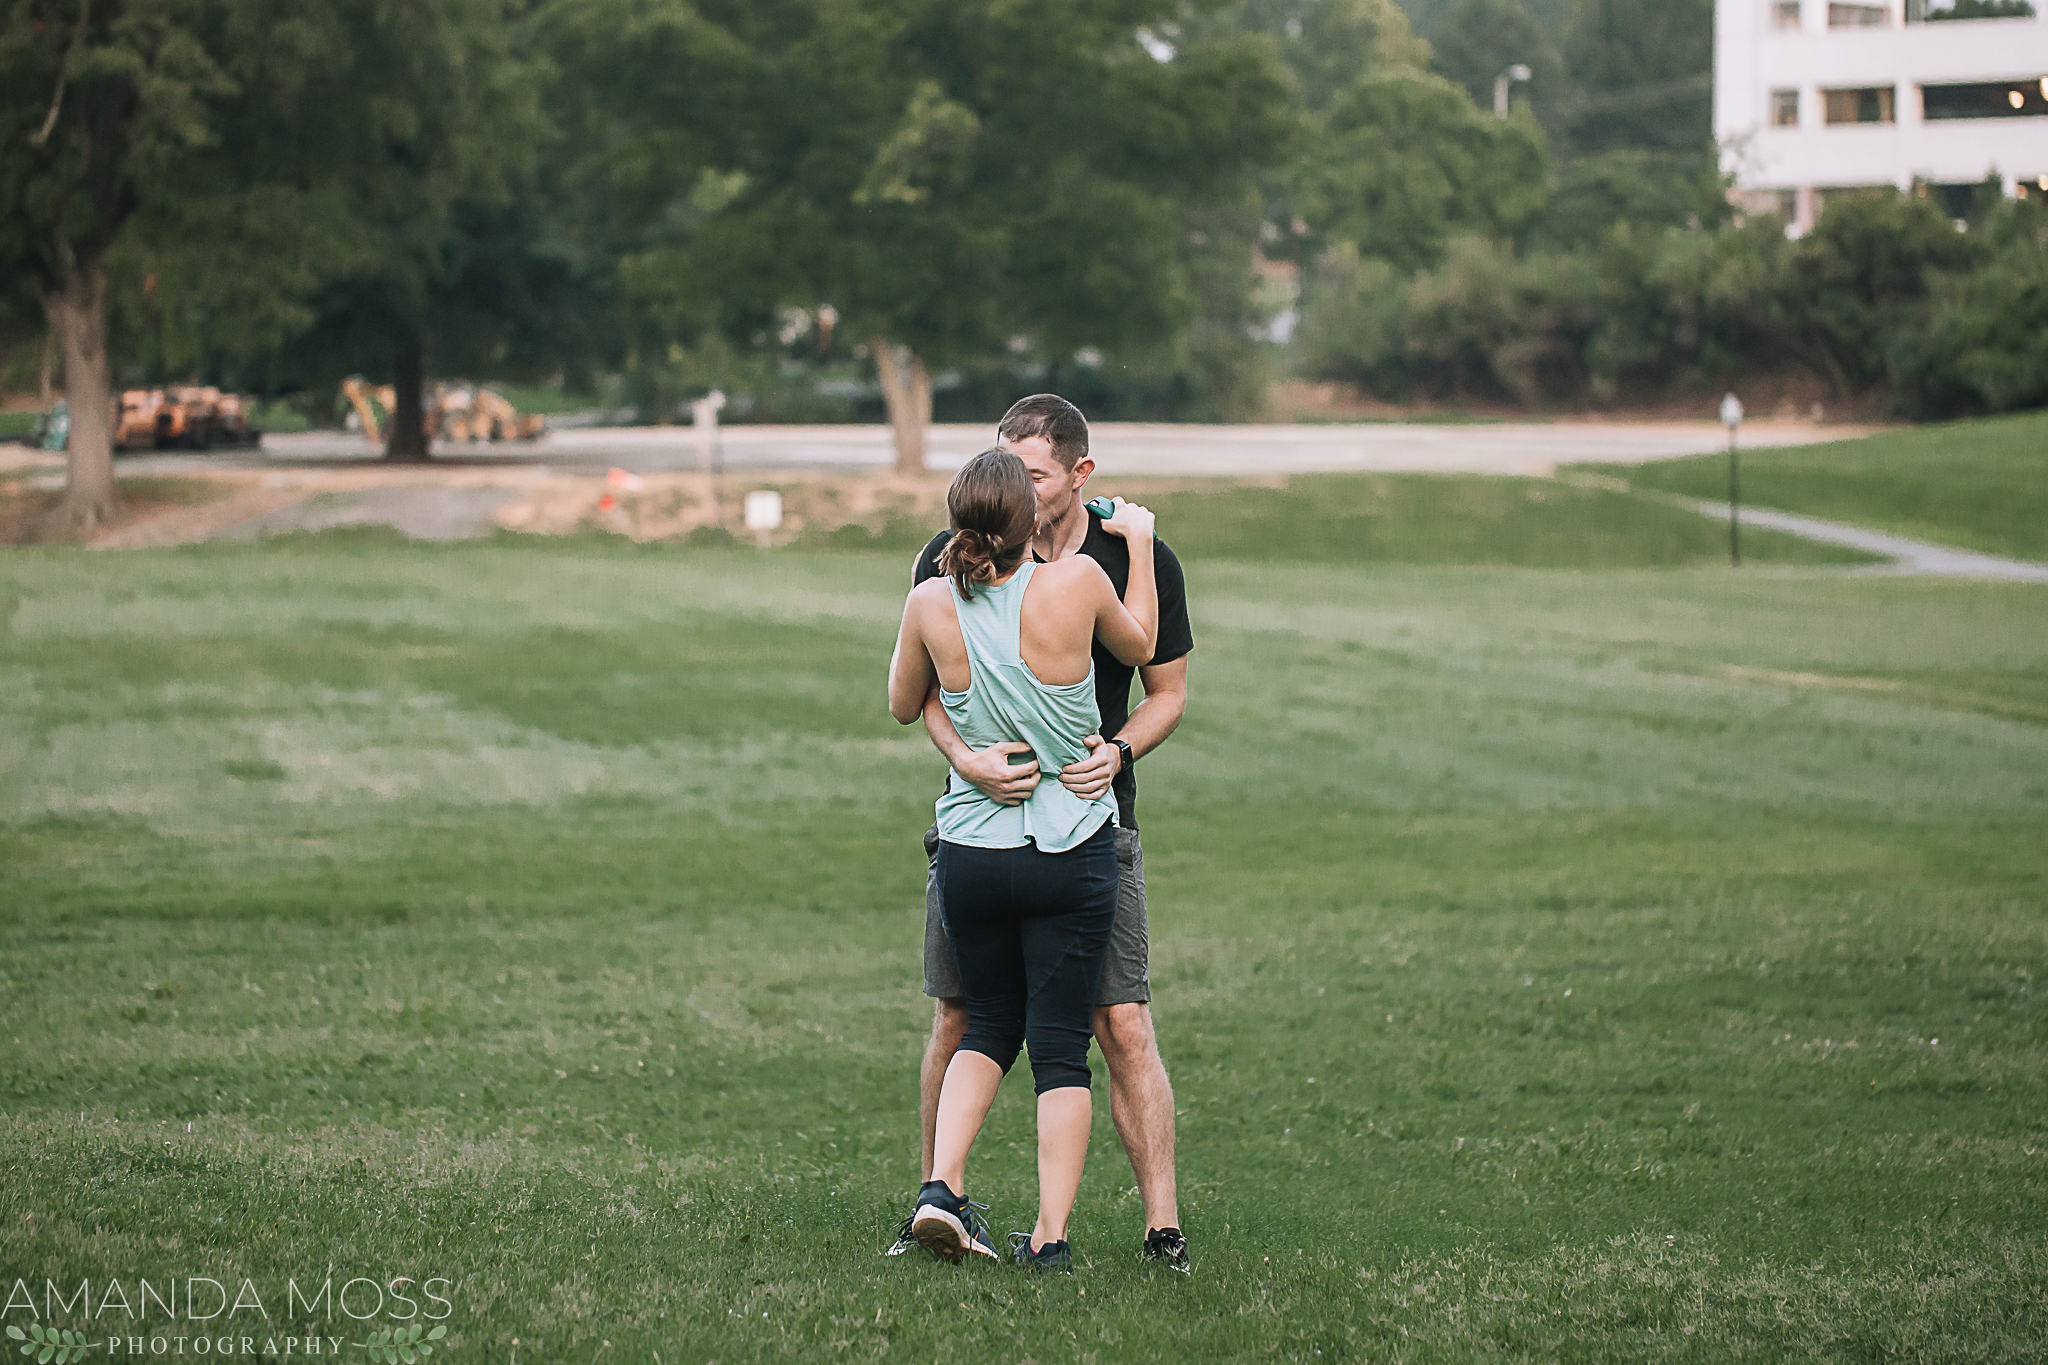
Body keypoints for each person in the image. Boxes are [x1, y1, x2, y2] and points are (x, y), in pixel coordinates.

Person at [888, 394, 1195, 1271]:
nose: (1016, 488)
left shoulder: (1126, 561)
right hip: (1039, 831)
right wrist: (970, 759)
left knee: (1118, 1021)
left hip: (1066, 823)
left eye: (1032, 472)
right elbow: (935, 705)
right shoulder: (958, 566)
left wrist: (1121, 749)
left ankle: (1159, 1228)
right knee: (980, 1024)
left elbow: (1162, 689)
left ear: (1079, 478)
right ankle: (953, 1209)